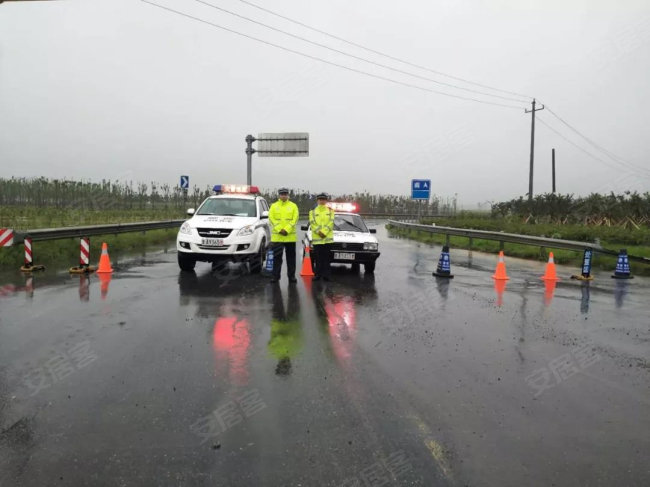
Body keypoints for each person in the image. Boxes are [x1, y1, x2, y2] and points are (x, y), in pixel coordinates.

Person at [268, 188, 299, 283]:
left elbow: (295, 219)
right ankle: (275, 277)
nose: (284, 196)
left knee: (291, 259)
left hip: (290, 237)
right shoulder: (273, 206)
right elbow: (271, 219)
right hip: (278, 237)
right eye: (282, 194)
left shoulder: (293, 206)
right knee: (277, 258)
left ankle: (291, 276)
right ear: (279, 195)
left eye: (285, 194)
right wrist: (279, 229)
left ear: (288, 195)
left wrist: (286, 229)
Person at [309, 193, 335, 281]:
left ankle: (327, 275)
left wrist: (324, 232)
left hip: (327, 239)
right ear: (317, 200)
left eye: (323, 199)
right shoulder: (312, 212)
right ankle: (318, 275)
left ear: (326, 200)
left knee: (327, 259)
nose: (322, 201)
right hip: (317, 239)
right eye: (320, 199)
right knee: (318, 259)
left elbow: (331, 223)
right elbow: (312, 223)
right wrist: (319, 232)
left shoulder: (331, 211)